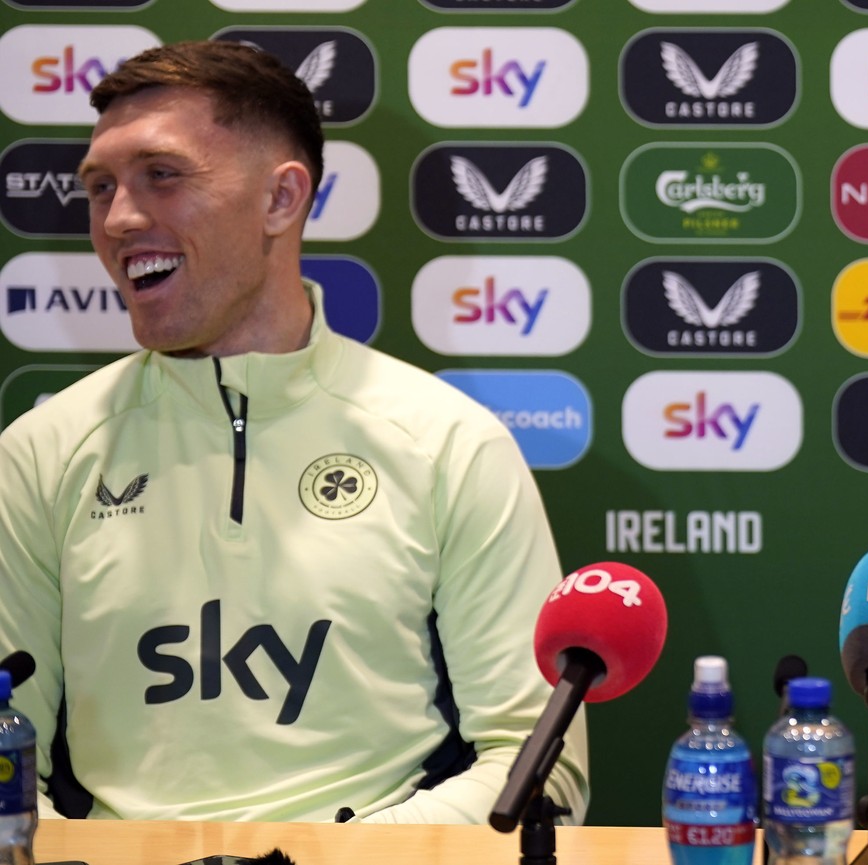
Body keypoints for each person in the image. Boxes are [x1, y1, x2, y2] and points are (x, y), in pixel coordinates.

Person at [0, 40, 589, 824]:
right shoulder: (41, 452)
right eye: (101, 187)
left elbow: (536, 768)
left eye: (162, 176)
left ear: (282, 199)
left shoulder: (447, 442)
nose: (119, 219)